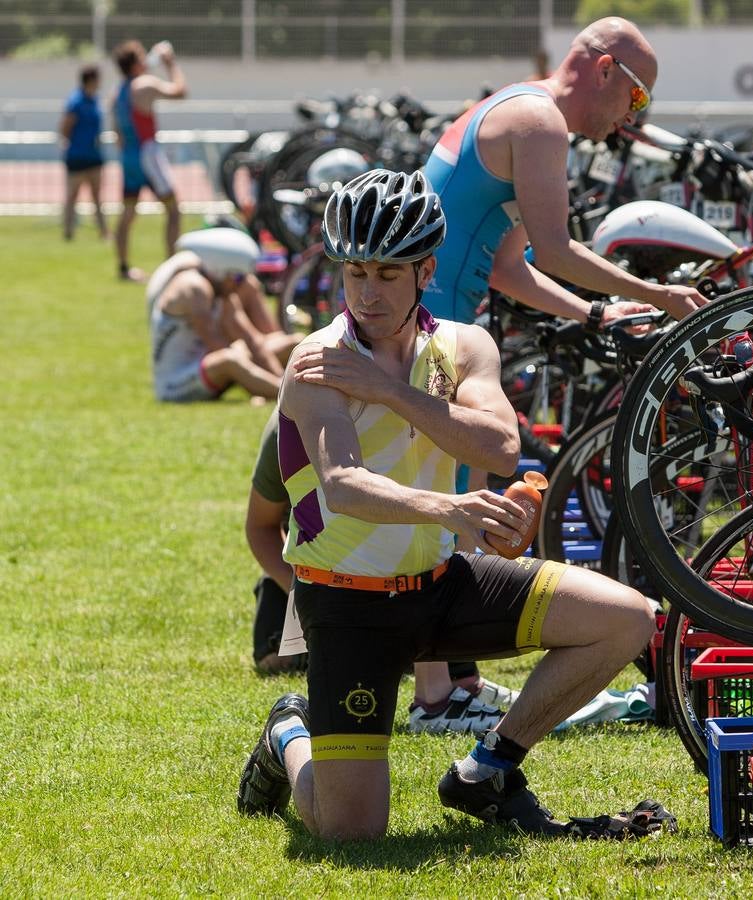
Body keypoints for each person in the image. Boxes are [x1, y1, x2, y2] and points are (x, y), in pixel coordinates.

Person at [236, 170, 656, 840]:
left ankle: (487, 770)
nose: (367, 294)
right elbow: (343, 487)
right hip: (347, 604)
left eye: (387, 275)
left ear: (426, 270)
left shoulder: (464, 344)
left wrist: (390, 390)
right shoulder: (316, 360)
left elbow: (498, 445)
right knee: (351, 832)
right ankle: (289, 730)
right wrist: (450, 511)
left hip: (439, 584)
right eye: (355, 275)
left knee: (625, 619)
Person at [421, 17, 707, 331]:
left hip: (424, 311)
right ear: (605, 69)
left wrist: (596, 313)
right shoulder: (539, 121)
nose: (632, 116)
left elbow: (506, 268)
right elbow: (554, 253)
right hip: (431, 317)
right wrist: (660, 295)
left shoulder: (523, 101)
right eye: (638, 96)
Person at [246, 408, 520, 723]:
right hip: (315, 583)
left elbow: (457, 543)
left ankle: (460, 684)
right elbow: (260, 528)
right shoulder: (297, 420)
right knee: (293, 663)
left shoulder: (453, 418)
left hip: (407, 587)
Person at [148, 227, 299, 402]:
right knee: (231, 358)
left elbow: (253, 341)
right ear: (221, 270)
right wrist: (276, 387)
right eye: (238, 278)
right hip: (175, 385)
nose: (241, 284)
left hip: (207, 366)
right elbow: (216, 345)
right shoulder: (193, 288)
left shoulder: (223, 291)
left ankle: (286, 391)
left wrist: (279, 377)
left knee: (293, 344)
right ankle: (290, 398)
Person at [112, 39, 187, 281]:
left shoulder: (117, 93)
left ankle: (124, 268)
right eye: (142, 57)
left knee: (127, 213)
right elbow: (180, 91)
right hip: (148, 154)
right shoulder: (143, 85)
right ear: (134, 64)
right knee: (174, 210)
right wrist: (170, 63)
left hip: (128, 157)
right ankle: (171, 269)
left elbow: (118, 135)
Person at [58, 64, 108, 242]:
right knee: (72, 196)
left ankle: (103, 232)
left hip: (94, 156)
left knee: (97, 196)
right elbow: (65, 128)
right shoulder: (75, 101)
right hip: (77, 156)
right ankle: (68, 232)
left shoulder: (96, 100)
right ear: (91, 80)